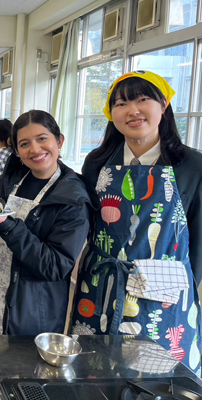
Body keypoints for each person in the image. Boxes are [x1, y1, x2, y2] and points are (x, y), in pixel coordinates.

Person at [71, 70, 201, 373]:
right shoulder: (97, 161)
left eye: (143, 100)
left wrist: (181, 284)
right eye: (121, 103)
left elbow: (199, 236)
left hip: (164, 293)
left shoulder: (193, 165)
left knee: (158, 376)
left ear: (163, 105)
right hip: (102, 283)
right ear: (111, 113)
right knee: (94, 370)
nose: (132, 111)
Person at [0, 110, 94, 335]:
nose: (34, 149)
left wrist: (7, 225)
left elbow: (55, 266)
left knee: (16, 368)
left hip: (29, 312)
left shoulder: (73, 198)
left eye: (42, 139)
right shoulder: (11, 179)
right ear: (16, 150)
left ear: (59, 140)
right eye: (25, 143)